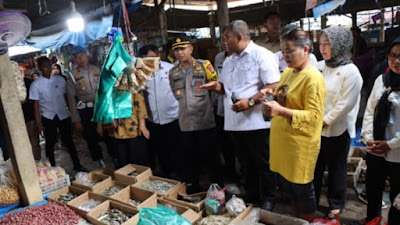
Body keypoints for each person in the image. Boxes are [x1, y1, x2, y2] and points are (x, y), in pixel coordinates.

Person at [202, 20, 281, 210]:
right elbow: (226, 89)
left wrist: (250, 102)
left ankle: (269, 197)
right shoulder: (228, 61)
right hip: (235, 122)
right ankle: (252, 194)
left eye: (227, 37)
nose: (224, 42)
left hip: (256, 122)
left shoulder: (262, 55)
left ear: (239, 36)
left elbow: (273, 86)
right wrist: (217, 87)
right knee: (245, 162)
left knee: (263, 162)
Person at [262, 27, 326, 222]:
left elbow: (314, 117)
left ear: (305, 50)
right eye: (283, 51)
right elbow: (286, 97)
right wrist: (272, 97)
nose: (285, 56)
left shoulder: (313, 78)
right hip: (285, 142)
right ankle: (296, 219)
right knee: (289, 186)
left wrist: (280, 111)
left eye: (290, 50)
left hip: (300, 145)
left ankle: (306, 220)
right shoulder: (289, 71)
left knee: (303, 188)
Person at [312, 26, 363, 224]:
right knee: (315, 167)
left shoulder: (351, 72)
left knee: (337, 169)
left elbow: (345, 105)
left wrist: (323, 122)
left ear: (340, 45)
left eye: (328, 44)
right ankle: (311, 202)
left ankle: (335, 207)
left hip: (338, 129)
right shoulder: (320, 65)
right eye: (321, 44)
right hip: (317, 128)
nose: (323, 48)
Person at [169, 35, 220, 193]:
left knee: (211, 157)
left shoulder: (204, 65)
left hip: (205, 121)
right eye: (176, 50)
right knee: (189, 158)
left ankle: (216, 187)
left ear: (191, 49)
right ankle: (193, 187)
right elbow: (174, 92)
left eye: (183, 48)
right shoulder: (173, 72)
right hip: (186, 123)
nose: (180, 53)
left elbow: (217, 87)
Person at [361, 37, 400, 225]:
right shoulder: (381, 80)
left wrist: (390, 144)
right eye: (393, 56)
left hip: (397, 152)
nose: (397, 61)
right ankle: (373, 220)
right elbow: (370, 110)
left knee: (397, 198)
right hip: (376, 147)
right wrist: (368, 138)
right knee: (373, 189)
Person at [29, 56, 85, 171]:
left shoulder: (60, 80)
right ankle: (53, 168)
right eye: (44, 67)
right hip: (48, 117)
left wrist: (74, 116)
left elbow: (67, 98)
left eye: (48, 66)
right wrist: (38, 123)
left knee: (69, 142)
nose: (47, 69)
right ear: (39, 68)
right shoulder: (36, 85)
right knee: (50, 144)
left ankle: (77, 165)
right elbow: (36, 105)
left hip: (63, 115)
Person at [139, 44, 180, 177]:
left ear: (158, 56)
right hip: (152, 120)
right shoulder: (140, 73)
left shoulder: (171, 69)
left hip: (172, 118)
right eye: (145, 59)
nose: (149, 61)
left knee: (174, 151)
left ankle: (176, 177)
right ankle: (161, 176)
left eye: (152, 58)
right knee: (156, 150)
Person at [67, 46, 106, 168]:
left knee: (107, 133)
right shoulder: (72, 75)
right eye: (76, 57)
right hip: (86, 110)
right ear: (74, 59)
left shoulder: (97, 70)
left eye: (82, 55)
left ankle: (114, 157)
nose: (80, 58)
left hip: (101, 107)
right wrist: (76, 120)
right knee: (91, 137)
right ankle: (98, 161)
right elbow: (71, 99)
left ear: (87, 54)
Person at [101, 92, 150, 167]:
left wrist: (142, 124)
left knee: (136, 161)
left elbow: (139, 101)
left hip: (132, 128)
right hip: (115, 130)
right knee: (121, 161)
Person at [213, 26, 237, 181]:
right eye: (223, 38)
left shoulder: (244, 57)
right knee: (226, 146)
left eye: (228, 37)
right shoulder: (218, 58)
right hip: (222, 109)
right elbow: (217, 82)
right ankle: (231, 175)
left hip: (241, 109)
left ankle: (243, 176)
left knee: (241, 147)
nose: (225, 42)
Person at [22, 72, 41, 160]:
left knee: (34, 142)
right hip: (18, 121)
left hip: (30, 117)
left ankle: (37, 162)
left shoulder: (27, 82)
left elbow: (34, 99)